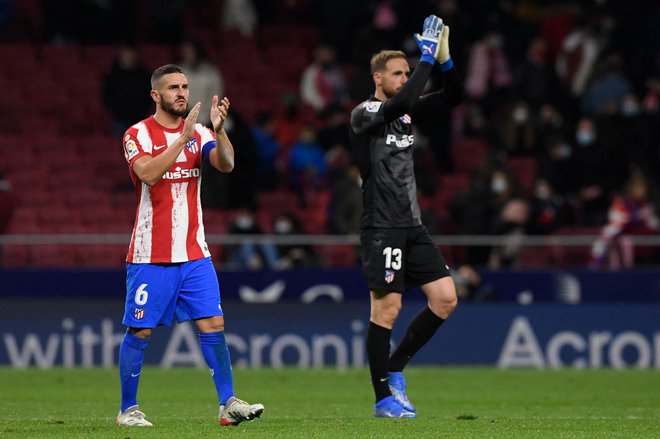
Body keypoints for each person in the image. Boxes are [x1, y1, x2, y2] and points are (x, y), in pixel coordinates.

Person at [116, 64, 264, 427]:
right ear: (156, 95)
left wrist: (219, 129)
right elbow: (148, 174)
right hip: (151, 254)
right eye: (173, 88)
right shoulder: (136, 134)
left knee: (213, 323)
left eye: (184, 86)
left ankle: (227, 404)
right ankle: (127, 410)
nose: (182, 92)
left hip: (195, 252)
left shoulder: (199, 132)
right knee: (141, 331)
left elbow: (225, 164)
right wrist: (180, 141)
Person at [349, 15, 462, 418]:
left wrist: (443, 61)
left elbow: (453, 98)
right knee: (387, 310)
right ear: (378, 78)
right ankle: (382, 400)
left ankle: (396, 370)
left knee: (446, 298)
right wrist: (426, 59)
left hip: (412, 225)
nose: (404, 78)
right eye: (398, 73)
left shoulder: (405, 114)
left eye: (407, 72)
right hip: (382, 226)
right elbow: (401, 100)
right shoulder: (364, 113)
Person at [102, 43, 152, 139]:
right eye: (126, 54)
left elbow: (149, 96)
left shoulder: (144, 75)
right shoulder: (113, 74)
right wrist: (118, 109)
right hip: (119, 119)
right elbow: (107, 96)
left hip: (139, 119)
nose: (129, 57)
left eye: (131, 54)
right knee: (119, 148)